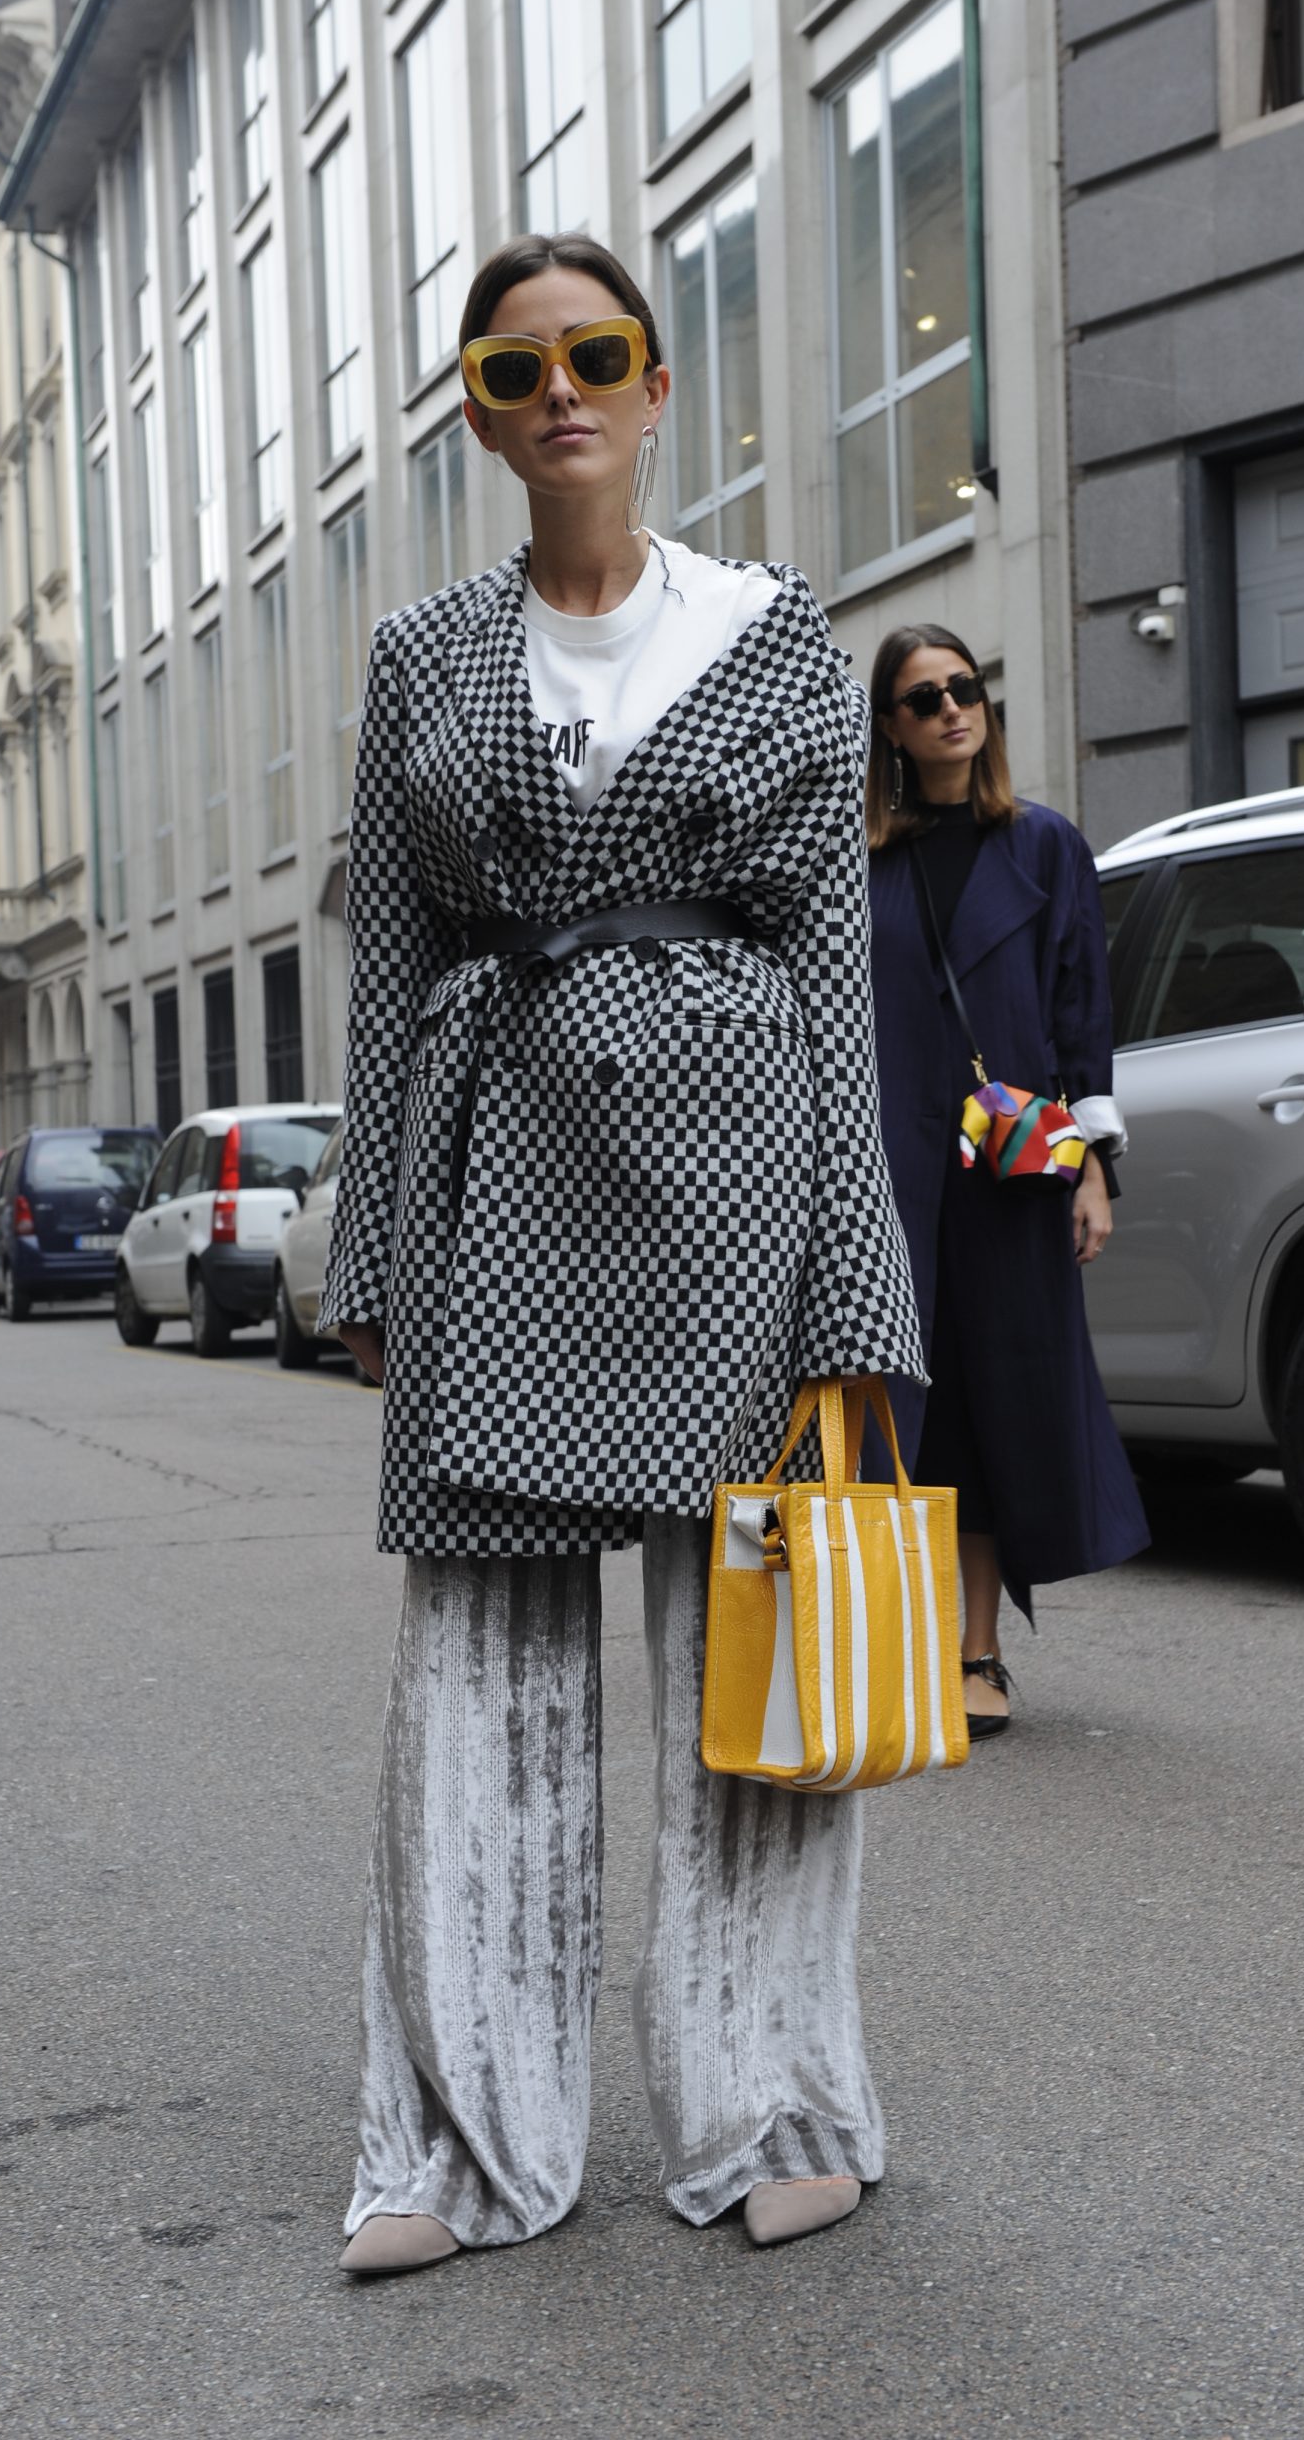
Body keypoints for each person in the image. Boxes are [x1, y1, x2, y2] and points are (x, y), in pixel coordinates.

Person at [317, 234, 925, 2275]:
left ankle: (772, 2100)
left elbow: (838, 986)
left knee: (741, 1682)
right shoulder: (418, 657)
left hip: (740, 1195)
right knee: (474, 1691)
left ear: (656, 386)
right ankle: (462, 2139)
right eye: (514, 366)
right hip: (497, 1186)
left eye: (596, 353)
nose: (559, 387)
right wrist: (373, 1261)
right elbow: (389, 959)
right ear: (477, 415)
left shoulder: (780, 642)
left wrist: (857, 1295)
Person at [865, 625, 1148, 1733]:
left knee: (991, 1412)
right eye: (921, 696)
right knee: (899, 1414)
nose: (948, 709)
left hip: (1008, 1173)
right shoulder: (860, 859)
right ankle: (885, 1634)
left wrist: (1090, 1169)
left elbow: (1081, 1011)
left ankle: (976, 1653)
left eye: (963, 689)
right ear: (889, 726)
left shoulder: (1042, 846)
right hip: (885, 1170)